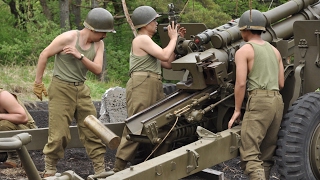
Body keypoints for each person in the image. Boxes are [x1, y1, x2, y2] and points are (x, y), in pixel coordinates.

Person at [33, 8, 115, 178]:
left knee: (93, 129)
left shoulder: (99, 43)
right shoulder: (68, 38)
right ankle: (49, 170)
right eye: (103, 33)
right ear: (93, 29)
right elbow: (44, 54)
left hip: (82, 89)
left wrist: (80, 56)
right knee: (59, 133)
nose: (105, 36)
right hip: (61, 88)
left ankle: (100, 170)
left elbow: (98, 70)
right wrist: (38, 82)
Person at [110, 6, 186, 173]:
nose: (157, 23)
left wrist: (177, 40)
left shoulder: (149, 42)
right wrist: (172, 38)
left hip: (153, 84)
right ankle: (118, 168)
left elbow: (168, 62)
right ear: (145, 23)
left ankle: (153, 165)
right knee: (136, 125)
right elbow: (165, 56)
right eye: (154, 20)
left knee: (161, 126)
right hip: (142, 85)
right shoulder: (141, 39)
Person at [228, 9, 284, 180]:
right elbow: (281, 83)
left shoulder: (244, 51)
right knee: (266, 154)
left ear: (245, 30)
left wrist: (237, 110)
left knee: (250, 152)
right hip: (276, 102)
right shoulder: (275, 51)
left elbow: (241, 83)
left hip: (259, 101)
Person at [0, 89, 37, 169]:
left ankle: (15, 159)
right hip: (6, 137)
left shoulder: (3, 96)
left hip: (25, 131)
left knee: (3, 124)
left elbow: (22, 118)